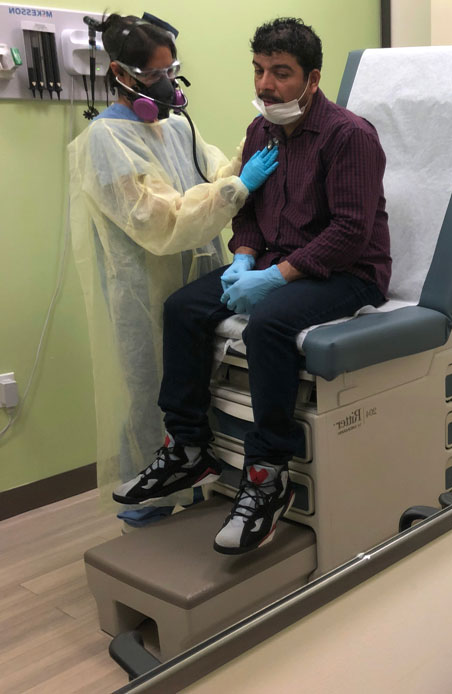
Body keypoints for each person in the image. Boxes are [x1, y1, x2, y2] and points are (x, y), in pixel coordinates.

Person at [111, 17, 392, 555]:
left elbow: (351, 233)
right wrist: (243, 259)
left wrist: (275, 278)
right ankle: (189, 447)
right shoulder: (261, 131)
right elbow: (250, 216)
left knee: (269, 324)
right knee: (184, 307)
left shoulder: (349, 135)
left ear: (312, 79)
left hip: (349, 273)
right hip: (274, 258)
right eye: (260, 70)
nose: (265, 85)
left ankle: (268, 475)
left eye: (281, 73)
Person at [69, 13, 279, 512]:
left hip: (195, 282)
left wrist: (247, 160)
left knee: (194, 388)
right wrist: (238, 186)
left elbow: (211, 179)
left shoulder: (175, 125)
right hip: (143, 292)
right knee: (151, 396)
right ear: (122, 74)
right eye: (155, 74)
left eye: (172, 69)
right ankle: (146, 509)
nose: (168, 83)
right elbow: (160, 222)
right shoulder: (104, 142)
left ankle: (195, 487)